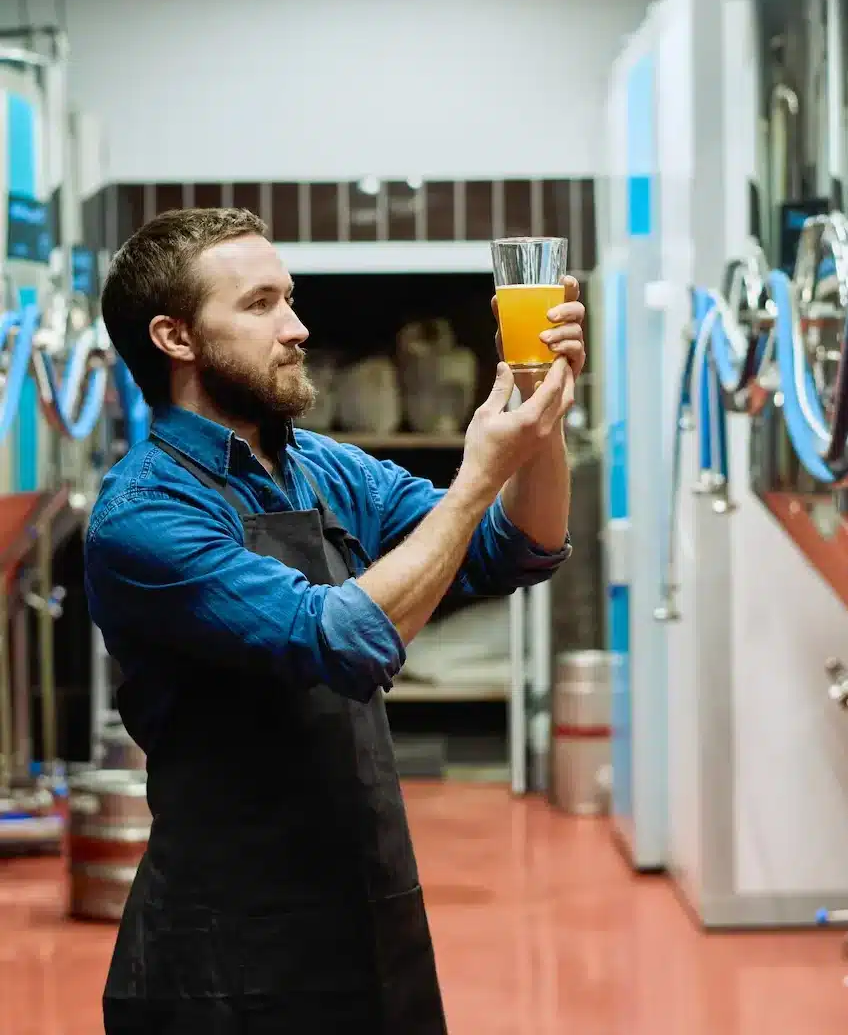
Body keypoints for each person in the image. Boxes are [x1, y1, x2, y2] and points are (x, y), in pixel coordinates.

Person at [84, 207, 585, 1034]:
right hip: (222, 957)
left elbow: (515, 548)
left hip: (366, 913)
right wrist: (478, 472)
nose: (297, 327)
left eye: (290, 297)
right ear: (175, 338)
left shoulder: (322, 467)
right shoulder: (144, 513)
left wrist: (544, 415)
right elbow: (340, 639)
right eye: (260, 305)